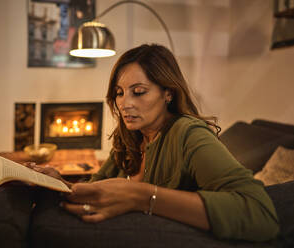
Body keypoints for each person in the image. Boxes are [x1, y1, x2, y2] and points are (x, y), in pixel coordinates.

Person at [31, 44, 279, 241]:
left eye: (138, 92)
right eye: (119, 92)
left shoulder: (189, 134)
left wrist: (142, 196)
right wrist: (59, 183)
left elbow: (259, 212)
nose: (125, 103)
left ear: (168, 93)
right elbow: (97, 190)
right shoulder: (130, 138)